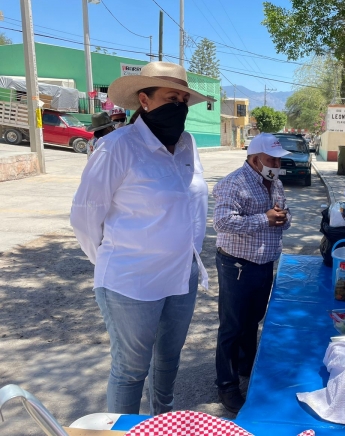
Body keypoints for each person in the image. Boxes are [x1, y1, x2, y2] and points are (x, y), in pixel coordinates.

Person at [70, 61, 214, 415]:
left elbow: (193, 205)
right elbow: (85, 216)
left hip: (181, 277)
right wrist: (114, 260)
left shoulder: (187, 144)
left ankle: (162, 424)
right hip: (131, 282)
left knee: (168, 364)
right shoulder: (119, 147)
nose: (179, 105)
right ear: (144, 101)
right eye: (170, 97)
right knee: (131, 371)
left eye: (183, 98)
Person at [212, 133, 292, 413]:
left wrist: (283, 218)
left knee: (252, 319)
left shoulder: (275, 182)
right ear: (255, 159)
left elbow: (283, 214)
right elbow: (221, 222)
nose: (277, 164)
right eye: (272, 159)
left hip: (263, 263)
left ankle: (247, 366)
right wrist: (265, 219)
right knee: (232, 325)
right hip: (237, 265)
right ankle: (227, 385)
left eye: (279, 159)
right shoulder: (234, 184)